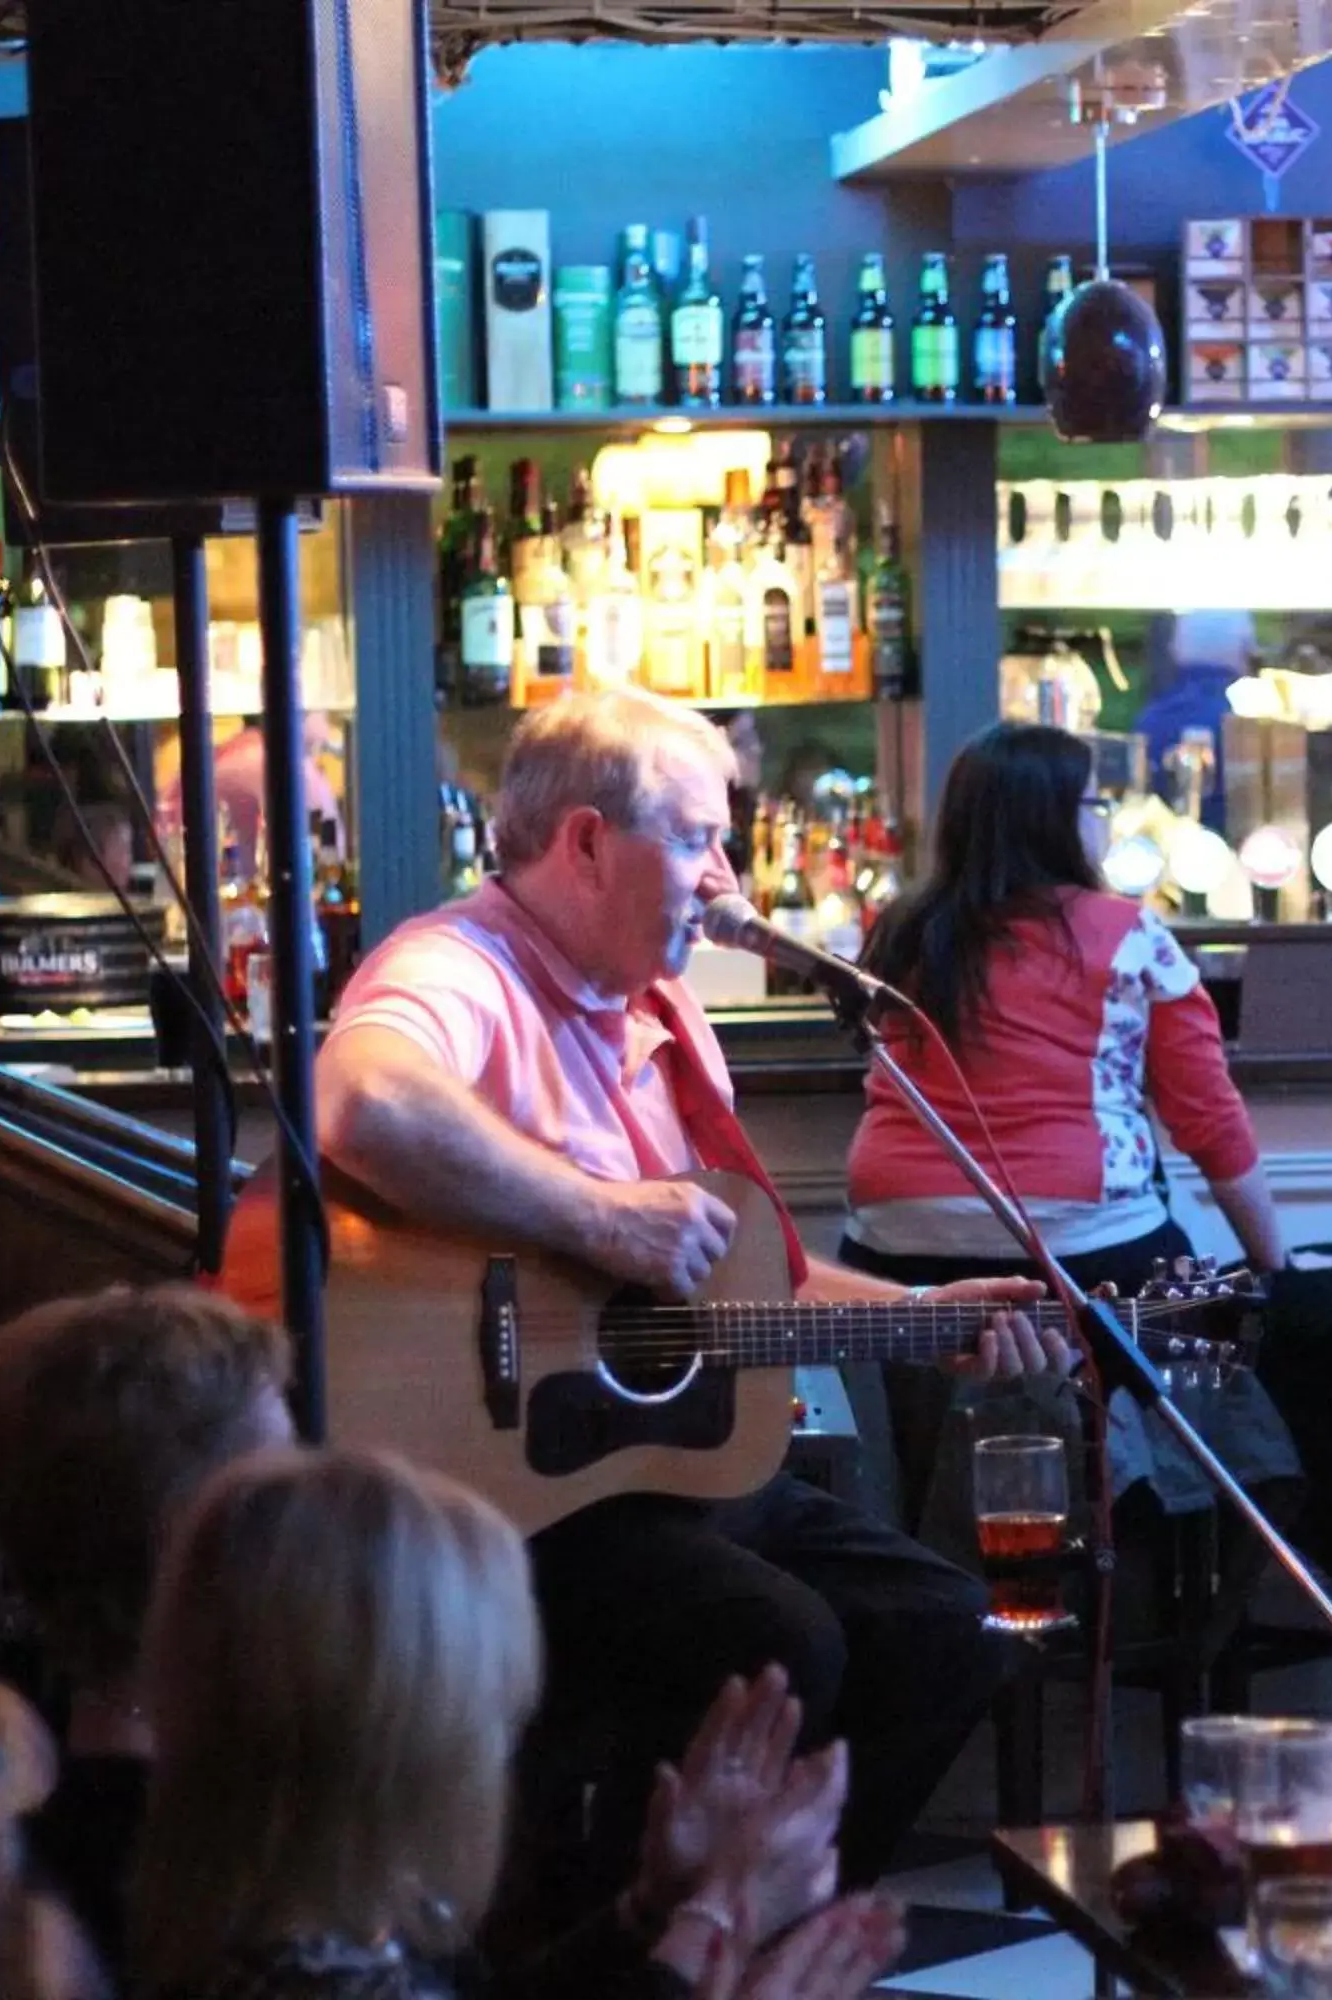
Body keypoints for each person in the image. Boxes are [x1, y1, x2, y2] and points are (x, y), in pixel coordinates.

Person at [310, 688, 1070, 1901]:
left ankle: (762, 1940)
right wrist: (599, 1216)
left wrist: (927, 1321)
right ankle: (637, 1949)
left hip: (649, 1471)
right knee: (782, 1638)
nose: (728, 876)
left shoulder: (670, 1016)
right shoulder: (456, 964)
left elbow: (728, 1277)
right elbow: (362, 1101)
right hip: (501, 1493)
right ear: (589, 844)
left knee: (945, 1626)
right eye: (700, 838)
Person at [130, 1447, 905, 2000]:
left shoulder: (286, 1918)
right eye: (494, 1704)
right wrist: (715, 1932)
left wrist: (650, 1912)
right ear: (407, 1739)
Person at [845, 720, 1286, 1286]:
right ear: (1050, 820)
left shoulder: (902, 930)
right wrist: (1275, 1265)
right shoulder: (1132, 935)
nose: (1101, 819)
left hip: (893, 1237)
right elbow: (1208, 1117)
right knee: (1189, 1325)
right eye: (1093, 804)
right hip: (1079, 1240)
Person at [0, 1284, 302, 1980]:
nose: (308, 1512)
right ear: (186, 1538)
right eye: (278, 1485)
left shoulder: (87, 1793)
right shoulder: (211, 1869)